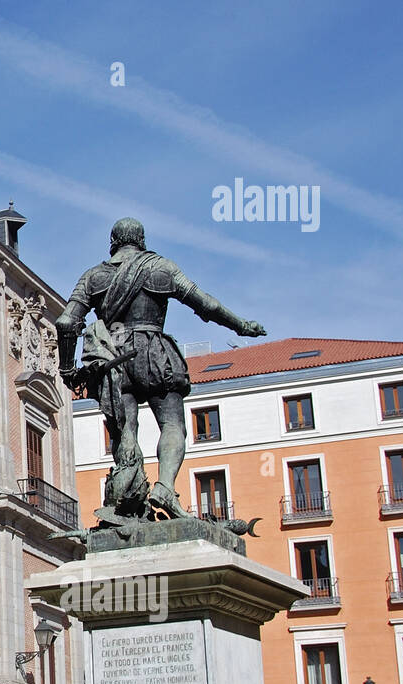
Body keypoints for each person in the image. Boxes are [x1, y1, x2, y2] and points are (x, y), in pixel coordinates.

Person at [55, 217, 266, 519]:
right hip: (154, 354)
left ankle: (129, 493)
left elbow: (66, 322)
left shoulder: (92, 277)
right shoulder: (161, 267)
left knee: (124, 430)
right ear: (141, 241)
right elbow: (205, 304)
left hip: (112, 356)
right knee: (172, 425)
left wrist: (67, 369)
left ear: (112, 242)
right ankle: (165, 487)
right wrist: (240, 325)